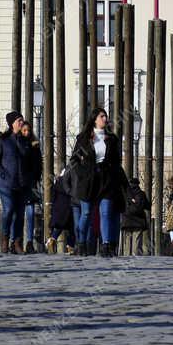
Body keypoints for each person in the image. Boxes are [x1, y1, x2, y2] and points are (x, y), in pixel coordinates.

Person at [69, 108, 127, 257]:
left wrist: (115, 177)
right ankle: (81, 242)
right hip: (89, 180)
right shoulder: (84, 138)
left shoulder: (112, 139)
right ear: (94, 119)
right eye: (102, 116)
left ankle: (106, 245)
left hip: (106, 179)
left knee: (106, 212)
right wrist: (83, 174)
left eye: (106, 116)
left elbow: (116, 162)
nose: (105, 119)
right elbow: (74, 160)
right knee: (86, 213)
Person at [0, 111, 29, 254]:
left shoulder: (25, 141)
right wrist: (2, 173)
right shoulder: (3, 141)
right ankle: (5, 238)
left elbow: (30, 161)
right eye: (19, 120)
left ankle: (17, 241)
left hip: (22, 184)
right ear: (12, 123)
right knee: (9, 209)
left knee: (20, 213)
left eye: (22, 120)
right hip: (5, 183)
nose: (21, 123)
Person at [19, 120, 43, 254]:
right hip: (20, 181)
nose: (27, 133)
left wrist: (36, 176)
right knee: (17, 212)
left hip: (31, 182)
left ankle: (29, 241)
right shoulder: (18, 144)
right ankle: (16, 240)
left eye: (28, 130)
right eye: (24, 130)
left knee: (30, 211)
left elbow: (39, 163)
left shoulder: (35, 146)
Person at [47, 169, 76, 254]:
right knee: (72, 227)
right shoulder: (70, 180)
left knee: (60, 226)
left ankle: (52, 239)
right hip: (68, 206)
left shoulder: (58, 182)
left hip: (59, 208)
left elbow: (53, 196)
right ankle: (70, 246)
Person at [121, 177, 151, 256]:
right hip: (139, 220)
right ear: (138, 184)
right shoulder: (141, 193)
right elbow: (148, 206)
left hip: (127, 219)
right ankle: (136, 255)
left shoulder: (125, 194)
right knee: (137, 240)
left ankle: (126, 255)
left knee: (127, 240)